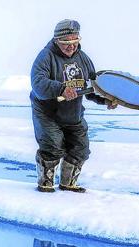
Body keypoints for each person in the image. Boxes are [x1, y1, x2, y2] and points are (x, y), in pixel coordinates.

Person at [30, 19, 117, 193]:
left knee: (81, 148)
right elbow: (38, 84)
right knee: (53, 147)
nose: (71, 46)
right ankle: (45, 185)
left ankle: (68, 184)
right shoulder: (45, 57)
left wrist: (105, 99)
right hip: (48, 114)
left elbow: (92, 86)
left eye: (75, 41)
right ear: (57, 40)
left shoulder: (83, 59)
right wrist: (60, 89)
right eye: (66, 42)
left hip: (73, 114)